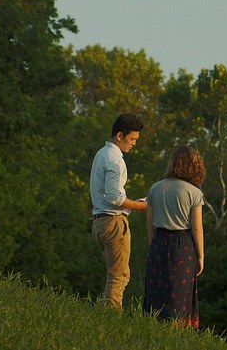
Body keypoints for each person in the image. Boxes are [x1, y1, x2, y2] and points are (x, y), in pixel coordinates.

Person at [89, 113, 148, 309]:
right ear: (120, 135)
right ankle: (111, 318)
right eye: (132, 139)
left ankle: (107, 315)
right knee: (119, 276)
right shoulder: (115, 160)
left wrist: (132, 202)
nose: (134, 144)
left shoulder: (101, 154)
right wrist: (142, 206)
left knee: (114, 275)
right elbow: (115, 197)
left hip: (99, 221)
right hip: (113, 222)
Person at [143, 145, 206, 328]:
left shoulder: (155, 188)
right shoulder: (194, 193)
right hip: (182, 245)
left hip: (158, 242)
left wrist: (154, 245)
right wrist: (200, 256)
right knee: (178, 293)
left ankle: (153, 328)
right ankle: (176, 332)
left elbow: (149, 224)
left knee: (156, 291)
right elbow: (196, 228)